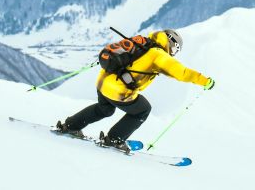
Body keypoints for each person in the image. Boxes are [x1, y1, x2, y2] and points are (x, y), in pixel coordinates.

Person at [56, 29, 215, 153]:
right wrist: (205, 81)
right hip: (119, 90)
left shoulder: (143, 43)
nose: (173, 53)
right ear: (171, 42)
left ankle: (71, 125)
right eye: (175, 49)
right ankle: (114, 139)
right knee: (143, 110)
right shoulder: (158, 54)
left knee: (104, 109)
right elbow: (182, 73)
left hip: (102, 82)